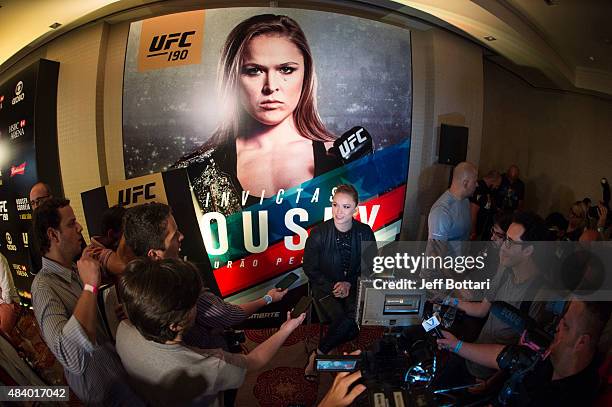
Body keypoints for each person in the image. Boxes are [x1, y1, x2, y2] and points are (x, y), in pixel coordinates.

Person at [173, 14, 340, 216]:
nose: (271, 87)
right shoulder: (194, 173)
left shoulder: (345, 158)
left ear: (306, 74)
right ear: (232, 77)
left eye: (286, 69)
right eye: (254, 71)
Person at [115, 257, 305, 406]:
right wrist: (287, 328)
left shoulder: (123, 330)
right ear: (176, 325)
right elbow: (254, 361)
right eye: (194, 303)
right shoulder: (209, 366)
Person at [121, 202, 288, 350]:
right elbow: (229, 315)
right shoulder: (183, 289)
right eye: (174, 236)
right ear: (154, 254)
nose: (181, 236)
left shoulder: (134, 286)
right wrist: (267, 299)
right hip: (210, 355)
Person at [31, 198, 139, 405]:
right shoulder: (43, 287)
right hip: (106, 395)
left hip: (121, 379)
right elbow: (68, 354)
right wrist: (90, 285)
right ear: (53, 235)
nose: (80, 227)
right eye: (71, 224)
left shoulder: (73, 269)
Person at [437, 212, 553, 384]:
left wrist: (491, 384)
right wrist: (446, 300)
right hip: (468, 354)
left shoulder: (539, 295)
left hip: (485, 376)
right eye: (505, 239)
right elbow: (482, 310)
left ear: (528, 250)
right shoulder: (504, 270)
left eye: (510, 242)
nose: (503, 247)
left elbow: (521, 358)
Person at [436, 300, 611, 406]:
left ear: (582, 341)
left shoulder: (572, 398)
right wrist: (456, 345)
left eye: (565, 325)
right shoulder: (552, 355)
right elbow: (506, 356)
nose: (557, 327)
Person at [302, 184, 376, 380]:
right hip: (324, 288)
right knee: (348, 323)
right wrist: (332, 286)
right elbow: (310, 268)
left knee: (352, 317)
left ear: (355, 209)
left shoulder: (365, 232)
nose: (339, 212)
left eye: (345, 207)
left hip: (354, 285)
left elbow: (370, 268)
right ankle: (322, 354)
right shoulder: (318, 233)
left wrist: (349, 284)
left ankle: (317, 354)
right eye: (335, 205)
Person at [428, 161, 478, 242]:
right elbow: (435, 252)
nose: (477, 185)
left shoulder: (466, 201)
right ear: (465, 183)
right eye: (475, 182)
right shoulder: (442, 211)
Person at [469, 170, 502, 240]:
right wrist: (473, 232)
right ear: (493, 180)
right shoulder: (479, 188)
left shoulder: (487, 189)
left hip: (481, 230)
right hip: (474, 231)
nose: (497, 188)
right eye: (497, 185)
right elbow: (473, 213)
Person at [0, 252, 20, 336]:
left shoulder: (0, 259)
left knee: (3, 338)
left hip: (8, 303)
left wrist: (7, 305)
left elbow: (7, 289)